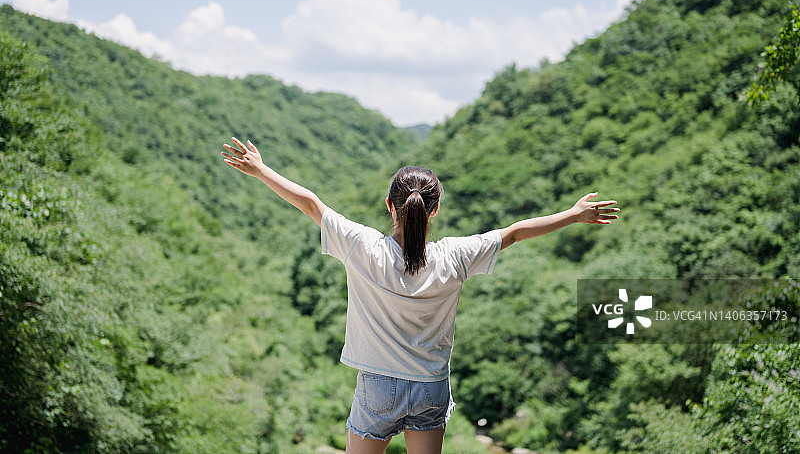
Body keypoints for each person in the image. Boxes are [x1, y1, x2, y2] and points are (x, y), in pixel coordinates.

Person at [221, 137, 620, 454]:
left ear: (390, 206)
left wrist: (260, 170)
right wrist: (574, 215)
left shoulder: (363, 247)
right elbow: (514, 233)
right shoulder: (456, 256)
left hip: (378, 386)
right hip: (431, 386)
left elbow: (311, 204)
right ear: (435, 210)